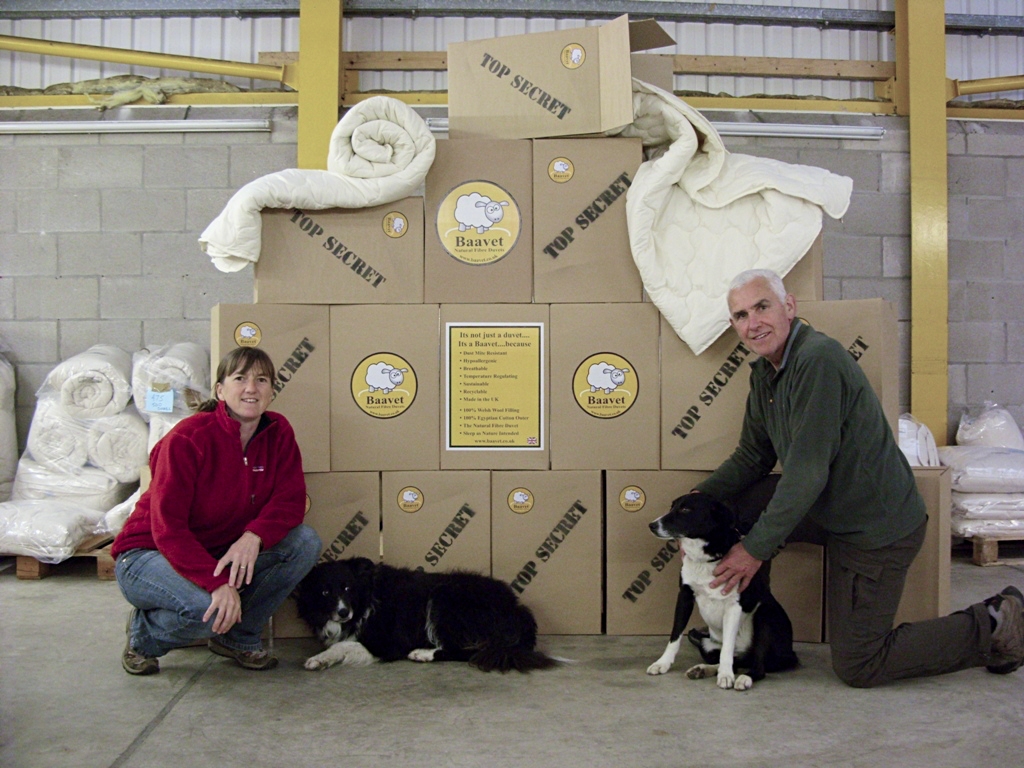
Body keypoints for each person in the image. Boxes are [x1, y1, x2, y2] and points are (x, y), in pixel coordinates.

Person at [689, 267, 1023, 688]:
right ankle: (755, 634)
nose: (752, 323)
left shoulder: (817, 361)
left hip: (874, 527)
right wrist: (695, 504)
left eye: (761, 307)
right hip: (830, 505)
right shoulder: (765, 374)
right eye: (740, 315)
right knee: (737, 506)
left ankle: (994, 623)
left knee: (859, 663)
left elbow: (808, 473)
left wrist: (752, 550)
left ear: (788, 306)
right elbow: (754, 455)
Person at [112, 347, 321, 675]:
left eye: (261, 380)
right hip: (147, 554)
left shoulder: (278, 432)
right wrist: (217, 584)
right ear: (221, 390)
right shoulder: (188, 439)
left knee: (304, 542)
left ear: (271, 390)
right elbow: (168, 529)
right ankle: (144, 634)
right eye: (240, 379)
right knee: (205, 609)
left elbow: (290, 500)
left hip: (215, 550)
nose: (251, 388)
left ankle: (238, 637)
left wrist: (254, 536)